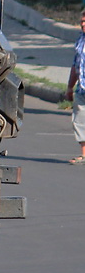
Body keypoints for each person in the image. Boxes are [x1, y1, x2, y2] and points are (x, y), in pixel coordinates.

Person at [64, 8, 85, 164]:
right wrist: (70, 87)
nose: (83, 25)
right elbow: (75, 66)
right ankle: (84, 154)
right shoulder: (80, 40)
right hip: (82, 88)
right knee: (79, 121)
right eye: (81, 22)